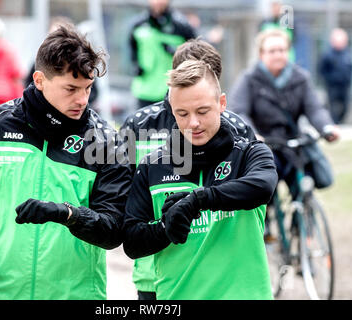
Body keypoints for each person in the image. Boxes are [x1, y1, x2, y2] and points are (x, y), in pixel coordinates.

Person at [0, 24, 132, 300]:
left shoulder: (106, 141)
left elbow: (114, 229)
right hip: (1, 293)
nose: (82, 99)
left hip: (75, 295)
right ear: (39, 80)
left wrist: (68, 214)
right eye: (71, 88)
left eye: (88, 88)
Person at [122, 59, 278, 300]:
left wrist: (199, 200)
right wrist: (165, 228)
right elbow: (132, 243)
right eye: (182, 114)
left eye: (202, 111)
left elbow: (262, 187)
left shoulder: (249, 152)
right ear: (171, 110)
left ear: (222, 103)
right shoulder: (152, 167)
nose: (193, 123)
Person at [229, 29, 340, 191]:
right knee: (266, 189)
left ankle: (302, 213)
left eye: (282, 50)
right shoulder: (249, 79)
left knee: (302, 188)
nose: (278, 55)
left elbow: (314, 109)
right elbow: (239, 111)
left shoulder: (301, 78)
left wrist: (326, 127)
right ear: (261, 54)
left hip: (292, 144)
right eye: (272, 51)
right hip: (265, 145)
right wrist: (253, 135)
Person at [128, 0, 196, 109]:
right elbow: (132, 48)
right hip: (145, 89)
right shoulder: (139, 24)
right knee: (145, 125)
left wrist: (176, 52)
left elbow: (195, 51)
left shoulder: (181, 26)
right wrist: (136, 65)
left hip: (172, 89)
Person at [319, 28, 352, 124]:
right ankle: (335, 124)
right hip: (333, 86)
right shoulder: (327, 55)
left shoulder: (348, 53)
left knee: (346, 106)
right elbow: (322, 70)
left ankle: (340, 121)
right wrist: (329, 79)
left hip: (345, 85)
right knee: (333, 106)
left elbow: (351, 68)